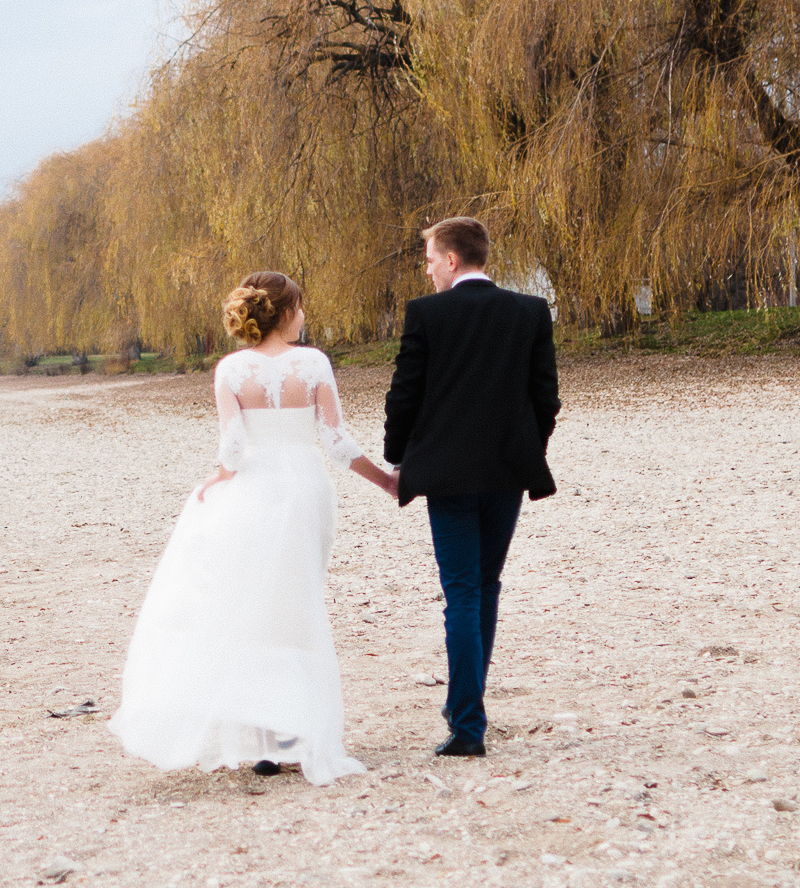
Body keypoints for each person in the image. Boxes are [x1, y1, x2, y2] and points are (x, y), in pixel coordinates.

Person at [108, 272, 398, 784]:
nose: (303, 316)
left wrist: (219, 479)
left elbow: (233, 448)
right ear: (286, 312)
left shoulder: (229, 369)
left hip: (254, 491)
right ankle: (297, 729)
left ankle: (268, 740)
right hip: (305, 488)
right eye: (300, 307)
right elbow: (335, 442)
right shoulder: (312, 363)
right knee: (298, 601)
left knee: (256, 603)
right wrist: (388, 483)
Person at [382, 217, 560, 758]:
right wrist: (526, 447)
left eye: (431, 258)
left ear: (453, 260)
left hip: (447, 476)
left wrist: (399, 457)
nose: (428, 267)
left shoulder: (426, 314)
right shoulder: (530, 311)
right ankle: (467, 710)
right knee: (485, 586)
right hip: (507, 471)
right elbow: (545, 398)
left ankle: (467, 725)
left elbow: (404, 396)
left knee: (461, 590)